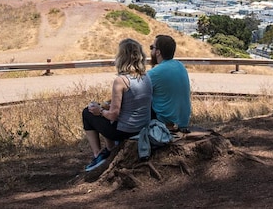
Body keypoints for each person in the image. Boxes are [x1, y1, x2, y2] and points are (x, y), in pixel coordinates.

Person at [82, 38, 152, 172]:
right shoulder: (146, 77)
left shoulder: (121, 81)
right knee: (104, 114)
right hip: (142, 127)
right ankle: (109, 148)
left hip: (125, 131)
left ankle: (98, 154)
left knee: (87, 112)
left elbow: (114, 114)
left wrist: (100, 111)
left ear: (121, 57)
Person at [147, 35, 191, 131]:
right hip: (183, 121)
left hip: (164, 122)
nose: (151, 51)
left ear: (158, 52)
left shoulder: (154, 73)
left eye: (152, 48)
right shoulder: (180, 65)